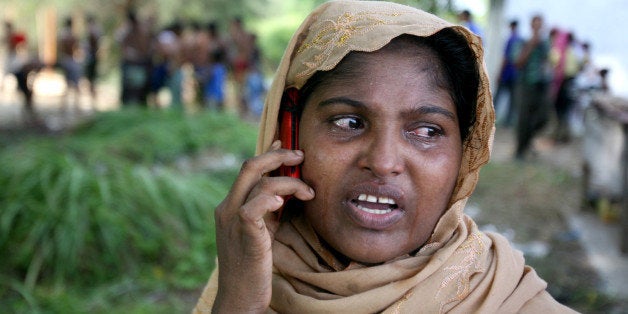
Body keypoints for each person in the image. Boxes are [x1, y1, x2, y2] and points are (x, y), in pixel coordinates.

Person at [193, 1, 576, 313]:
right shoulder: (246, 273)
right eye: (348, 122)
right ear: (288, 133)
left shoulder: (509, 301)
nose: (383, 161)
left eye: (426, 131)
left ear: (465, 155)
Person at [512, 14, 551, 160]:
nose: (539, 27)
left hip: (541, 85)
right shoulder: (522, 42)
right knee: (524, 118)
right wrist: (531, 45)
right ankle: (520, 151)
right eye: (536, 24)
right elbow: (518, 62)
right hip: (525, 84)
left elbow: (548, 62)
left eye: (541, 24)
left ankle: (528, 141)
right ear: (531, 25)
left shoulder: (545, 44)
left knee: (543, 117)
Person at [493, 19, 522, 127]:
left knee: (498, 97)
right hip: (515, 74)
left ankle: (491, 117)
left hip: (506, 73)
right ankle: (508, 122)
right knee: (512, 99)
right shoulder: (520, 39)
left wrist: (500, 73)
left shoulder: (510, 39)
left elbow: (505, 57)